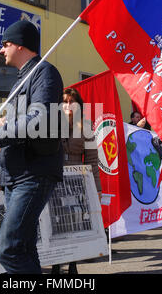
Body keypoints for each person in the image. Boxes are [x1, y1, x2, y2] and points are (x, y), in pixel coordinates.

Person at [0, 20, 64, 274]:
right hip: (17, 175)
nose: (1, 50)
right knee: (23, 248)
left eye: (5, 44)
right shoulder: (21, 81)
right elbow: (15, 138)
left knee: (8, 249)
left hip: (34, 174)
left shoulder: (45, 73)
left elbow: (38, 119)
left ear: (21, 46)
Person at [51, 87, 102, 274]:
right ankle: (56, 264)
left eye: (72, 101)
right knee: (54, 223)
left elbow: (91, 162)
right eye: (64, 101)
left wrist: (96, 189)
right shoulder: (51, 125)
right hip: (54, 180)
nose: (68, 105)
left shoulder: (86, 127)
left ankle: (73, 264)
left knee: (73, 223)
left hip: (76, 183)